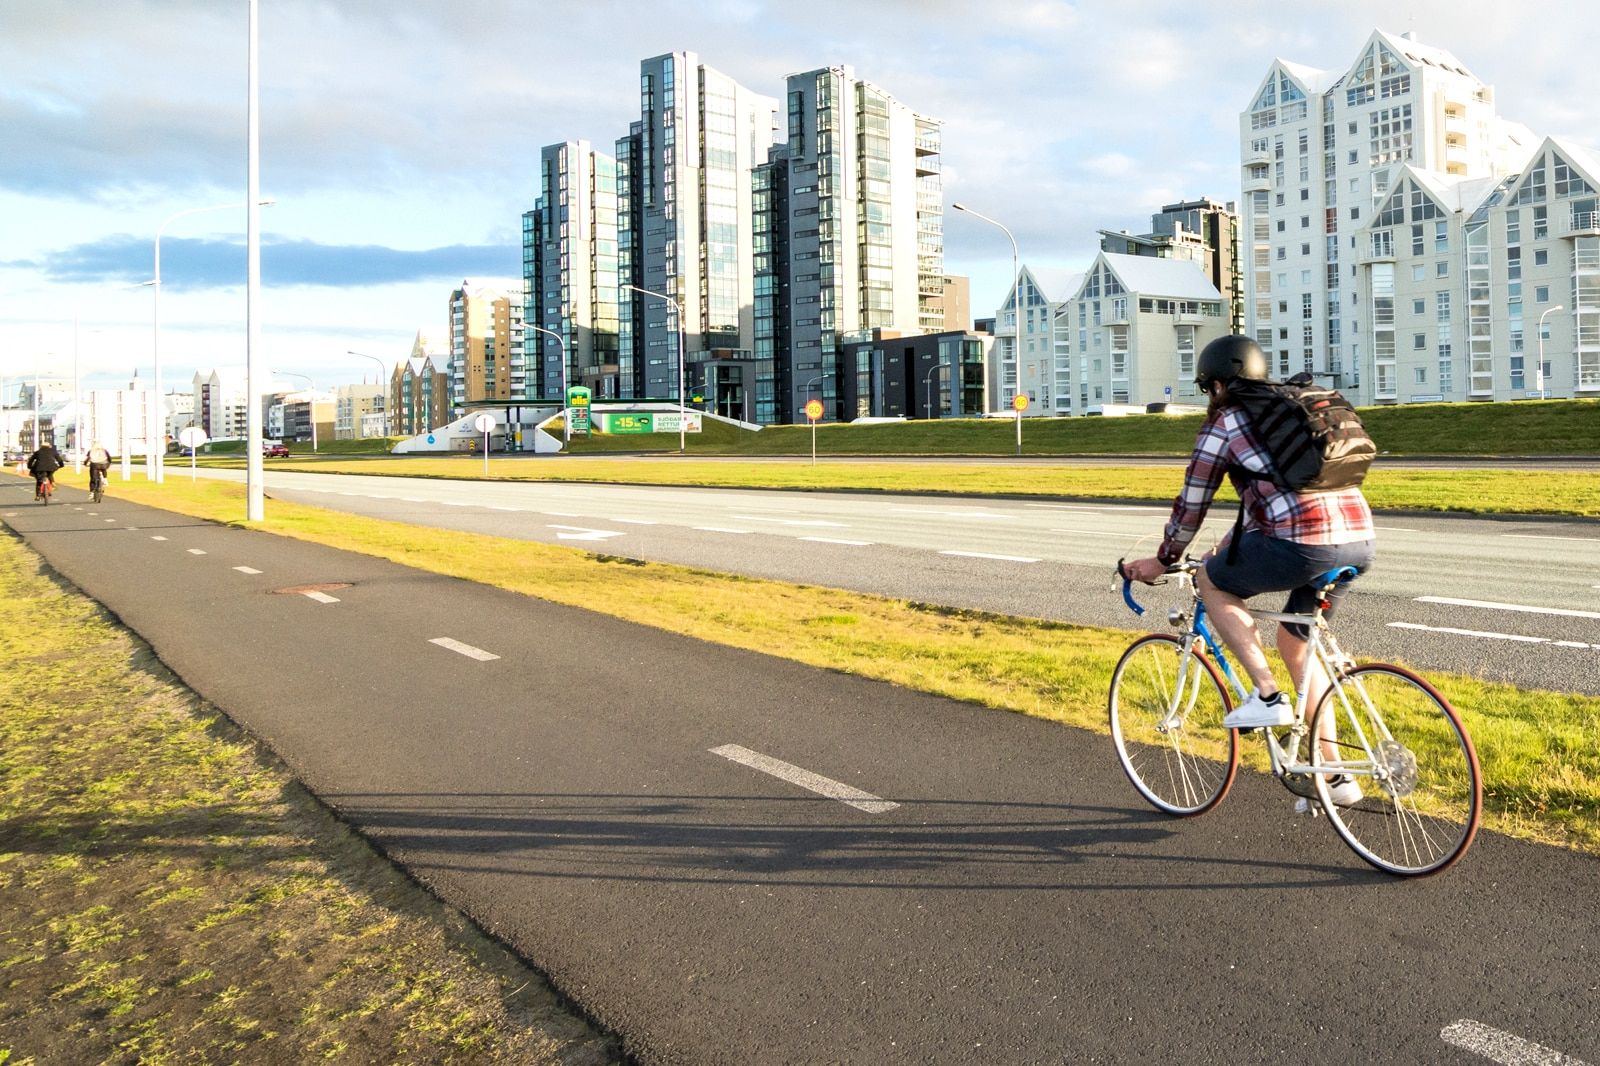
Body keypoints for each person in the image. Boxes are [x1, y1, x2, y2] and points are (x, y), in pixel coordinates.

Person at [1121, 335, 1376, 805]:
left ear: (1218, 384)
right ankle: (1336, 775)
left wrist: (1162, 559)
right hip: (1359, 541)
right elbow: (1276, 489)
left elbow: (1192, 504)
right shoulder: (1293, 409)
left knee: (1211, 581)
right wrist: (1235, 541)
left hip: (1303, 545)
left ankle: (1267, 695)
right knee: (1296, 642)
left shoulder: (1226, 422)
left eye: (1207, 390)